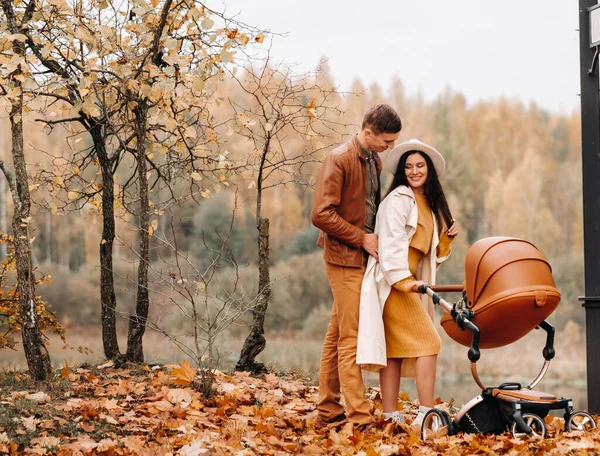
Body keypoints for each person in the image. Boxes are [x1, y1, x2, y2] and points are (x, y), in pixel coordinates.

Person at [311, 104, 402, 428]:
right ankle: (361, 417)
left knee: (337, 334)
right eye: (387, 141)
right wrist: (361, 239)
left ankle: (327, 411)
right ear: (367, 132)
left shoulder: (374, 161)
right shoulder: (339, 159)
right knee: (351, 338)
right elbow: (321, 214)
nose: (390, 148)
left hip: (362, 261)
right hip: (342, 259)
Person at [356, 139, 458, 426]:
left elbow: (431, 254)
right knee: (430, 341)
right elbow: (389, 244)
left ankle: (390, 415)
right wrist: (404, 281)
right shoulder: (398, 200)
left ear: (429, 171)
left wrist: (447, 237)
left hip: (411, 282)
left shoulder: (427, 202)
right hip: (394, 283)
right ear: (402, 171)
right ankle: (427, 413)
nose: (414, 171)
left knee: (395, 350)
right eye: (409, 167)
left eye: (420, 166)